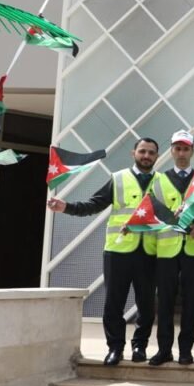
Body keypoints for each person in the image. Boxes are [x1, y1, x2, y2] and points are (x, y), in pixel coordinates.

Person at [47, 138, 159, 366]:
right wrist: (66, 206)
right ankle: (115, 348)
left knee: (147, 303)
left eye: (151, 152)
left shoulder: (162, 182)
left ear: (156, 156)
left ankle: (140, 346)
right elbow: (93, 205)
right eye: (142, 151)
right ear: (133, 153)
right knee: (113, 303)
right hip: (118, 250)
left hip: (149, 251)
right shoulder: (118, 179)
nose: (146, 156)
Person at [148, 130, 194, 365]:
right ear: (171, 151)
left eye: (186, 149)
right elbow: (151, 210)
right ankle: (164, 350)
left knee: (191, 302)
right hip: (167, 249)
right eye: (178, 149)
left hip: (193, 249)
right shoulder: (158, 179)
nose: (182, 153)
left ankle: (185, 351)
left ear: (192, 151)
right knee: (165, 302)